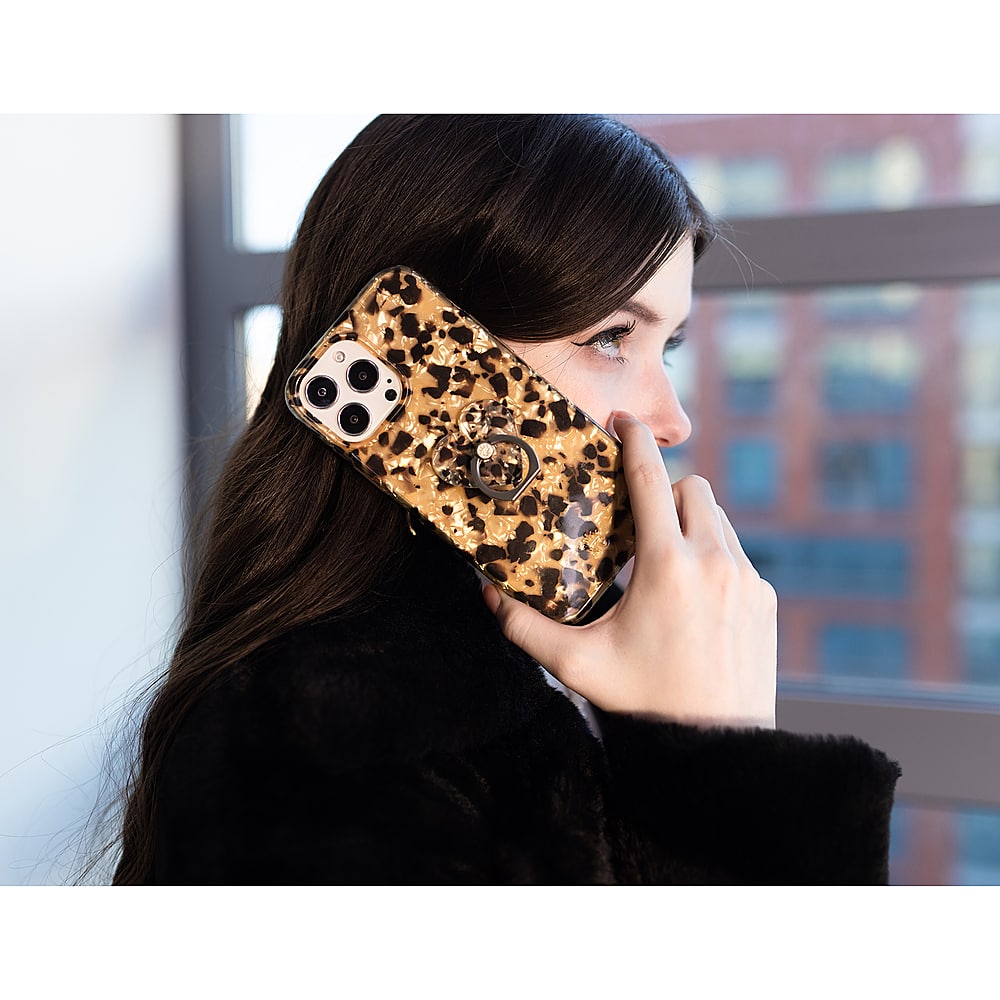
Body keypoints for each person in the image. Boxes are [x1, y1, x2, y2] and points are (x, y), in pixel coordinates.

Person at [113, 115, 900, 885]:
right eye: (612, 338)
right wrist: (721, 768)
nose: (672, 419)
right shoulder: (323, 750)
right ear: (425, 354)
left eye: (668, 348)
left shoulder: (494, 673)